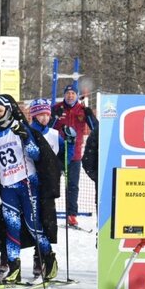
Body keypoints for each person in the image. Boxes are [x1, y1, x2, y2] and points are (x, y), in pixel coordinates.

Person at [0, 94, 58, 285]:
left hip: (27, 183)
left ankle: (49, 259)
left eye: (0, 110)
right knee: (11, 228)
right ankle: (14, 269)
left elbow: (36, 155)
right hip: (8, 187)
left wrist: (26, 140)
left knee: (33, 226)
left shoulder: (19, 127)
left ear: (8, 110)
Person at [26, 98, 64, 279]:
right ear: (34, 115)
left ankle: (41, 256)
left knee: (47, 220)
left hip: (48, 184)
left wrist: (70, 144)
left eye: (47, 114)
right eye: (41, 114)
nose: (44, 118)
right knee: (33, 221)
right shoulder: (28, 132)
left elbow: (64, 158)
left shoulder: (55, 135)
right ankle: (36, 257)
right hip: (31, 182)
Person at [52, 84, 97, 227]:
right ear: (64, 95)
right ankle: (48, 213)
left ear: (76, 95)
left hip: (75, 155)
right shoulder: (57, 108)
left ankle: (71, 215)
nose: (70, 96)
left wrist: (90, 115)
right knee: (52, 184)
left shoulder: (82, 109)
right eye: (68, 93)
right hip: (57, 153)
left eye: (73, 93)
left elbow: (95, 129)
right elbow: (47, 128)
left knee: (73, 186)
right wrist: (55, 116)